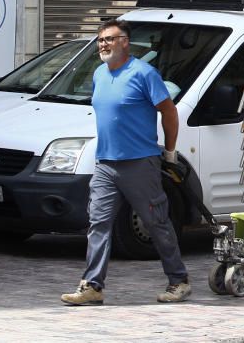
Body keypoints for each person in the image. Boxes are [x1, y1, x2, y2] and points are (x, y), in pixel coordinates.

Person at [61, 19, 191, 305]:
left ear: (125, 42)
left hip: (139, 163)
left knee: (156, 223)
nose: (103, 45)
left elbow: (169, 112)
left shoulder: (144, 73)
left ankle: (178, 280)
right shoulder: (99, 74)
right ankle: (92, 286)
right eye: (100, 40)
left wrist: (169, 152)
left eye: (109, 39)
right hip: (106, 163)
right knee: (98, 223)